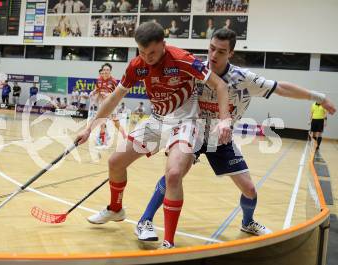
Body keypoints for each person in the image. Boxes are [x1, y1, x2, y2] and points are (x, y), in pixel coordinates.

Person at [135, 28, 337, 245]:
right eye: (211, 49)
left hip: (220, 139)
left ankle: (247, 222)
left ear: (231, 53)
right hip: (191, 132)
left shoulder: (243, 79)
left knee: (250, 190)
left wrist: (320, 97)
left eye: (221, 51)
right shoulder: (195, 68)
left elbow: (281, 89)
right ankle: (145, 220)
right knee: (173, 175)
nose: (213, 56)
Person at [75, 22, 232, 249]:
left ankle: (168, 242)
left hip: (185, 122)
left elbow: (220, 85)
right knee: (115, 162)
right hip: (157, 121)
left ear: (164, 45)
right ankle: (116, 209)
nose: (147, 57)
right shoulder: (137, 65)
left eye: (152, 53)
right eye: (142, 52)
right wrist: (89, 128)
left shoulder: (182, 59)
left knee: (174, 174)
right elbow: (113, 98)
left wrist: (225, 118)